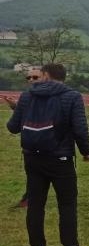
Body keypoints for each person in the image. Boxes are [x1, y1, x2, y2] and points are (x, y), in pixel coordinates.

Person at [6, 63, 89, 246]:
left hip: (32, 159)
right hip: (60, 159)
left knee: (36, 205)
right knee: (67, 205)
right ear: (64, 77)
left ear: (45, 75)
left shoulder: (27, 96)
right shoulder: (72, 96)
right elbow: (80, 129)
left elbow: (12, 127)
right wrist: (86, 151)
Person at [4, 67, 43, 208]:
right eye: (29, 78)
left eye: (35, 77)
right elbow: (27, 114)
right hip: (30, 144)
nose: (31, 80)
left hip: (49, 143)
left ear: (45, 77)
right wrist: (16, 107)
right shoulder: (27, 96)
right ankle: (29, 198)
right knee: (32, 173)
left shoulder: (50, 97)